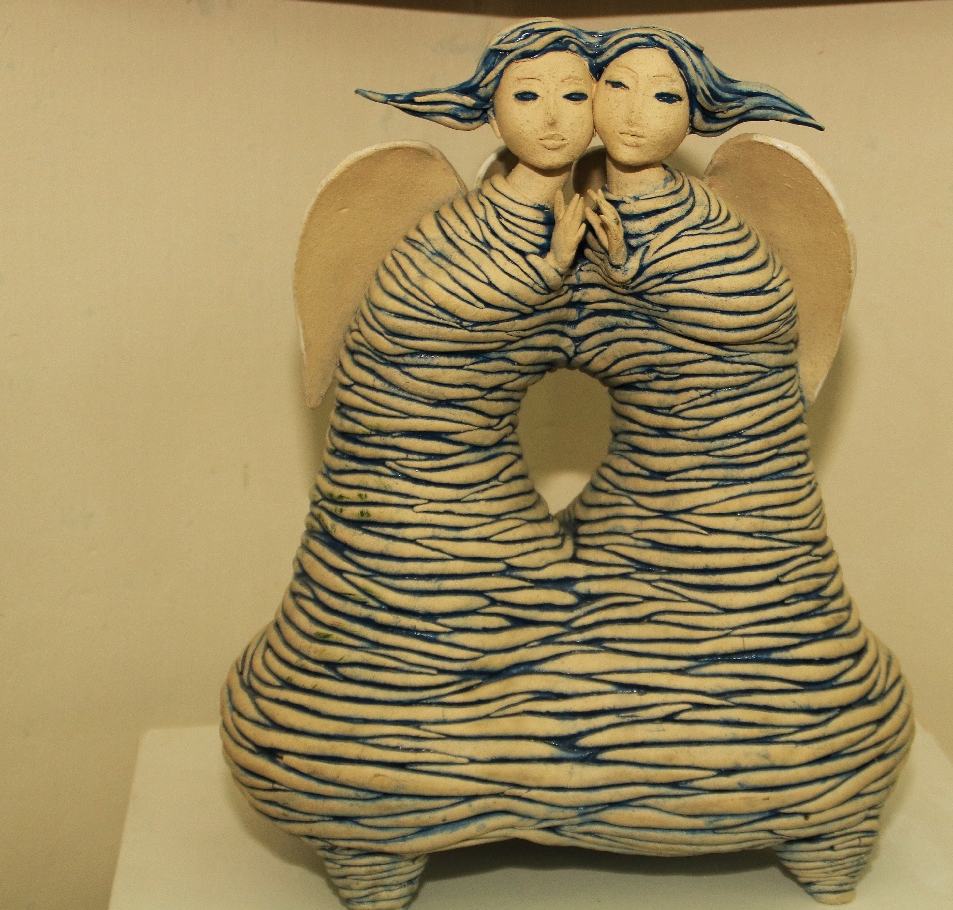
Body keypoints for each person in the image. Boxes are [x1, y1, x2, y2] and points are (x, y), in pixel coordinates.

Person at [220, 21, 602, 909]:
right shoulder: (461, 227)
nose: (551, 119)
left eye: (573, 96)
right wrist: (547, 272)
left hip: (490, 497)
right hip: (410, 485)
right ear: (490, 111)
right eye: (526, 96)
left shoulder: (583, 215)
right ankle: (384, 785)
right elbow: (424, 326)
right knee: (407, 633)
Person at [561, 26, 915, 904]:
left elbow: (749, 329)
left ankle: (795, 782)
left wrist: (634, 272)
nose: (636, 114)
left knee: (764, 648)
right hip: (631, 500)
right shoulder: (562, 211)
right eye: (617, 87)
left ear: (695, 115)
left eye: (665, 96)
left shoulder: (718, 227)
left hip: (736, 489)